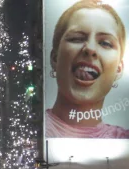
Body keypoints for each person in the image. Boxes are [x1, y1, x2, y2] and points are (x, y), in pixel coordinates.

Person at [46, 0, 129, 138]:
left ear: (119, 69)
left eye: (105, 43)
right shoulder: (30, 130)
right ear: (55, 58)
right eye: (76, 38)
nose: (90, 48)